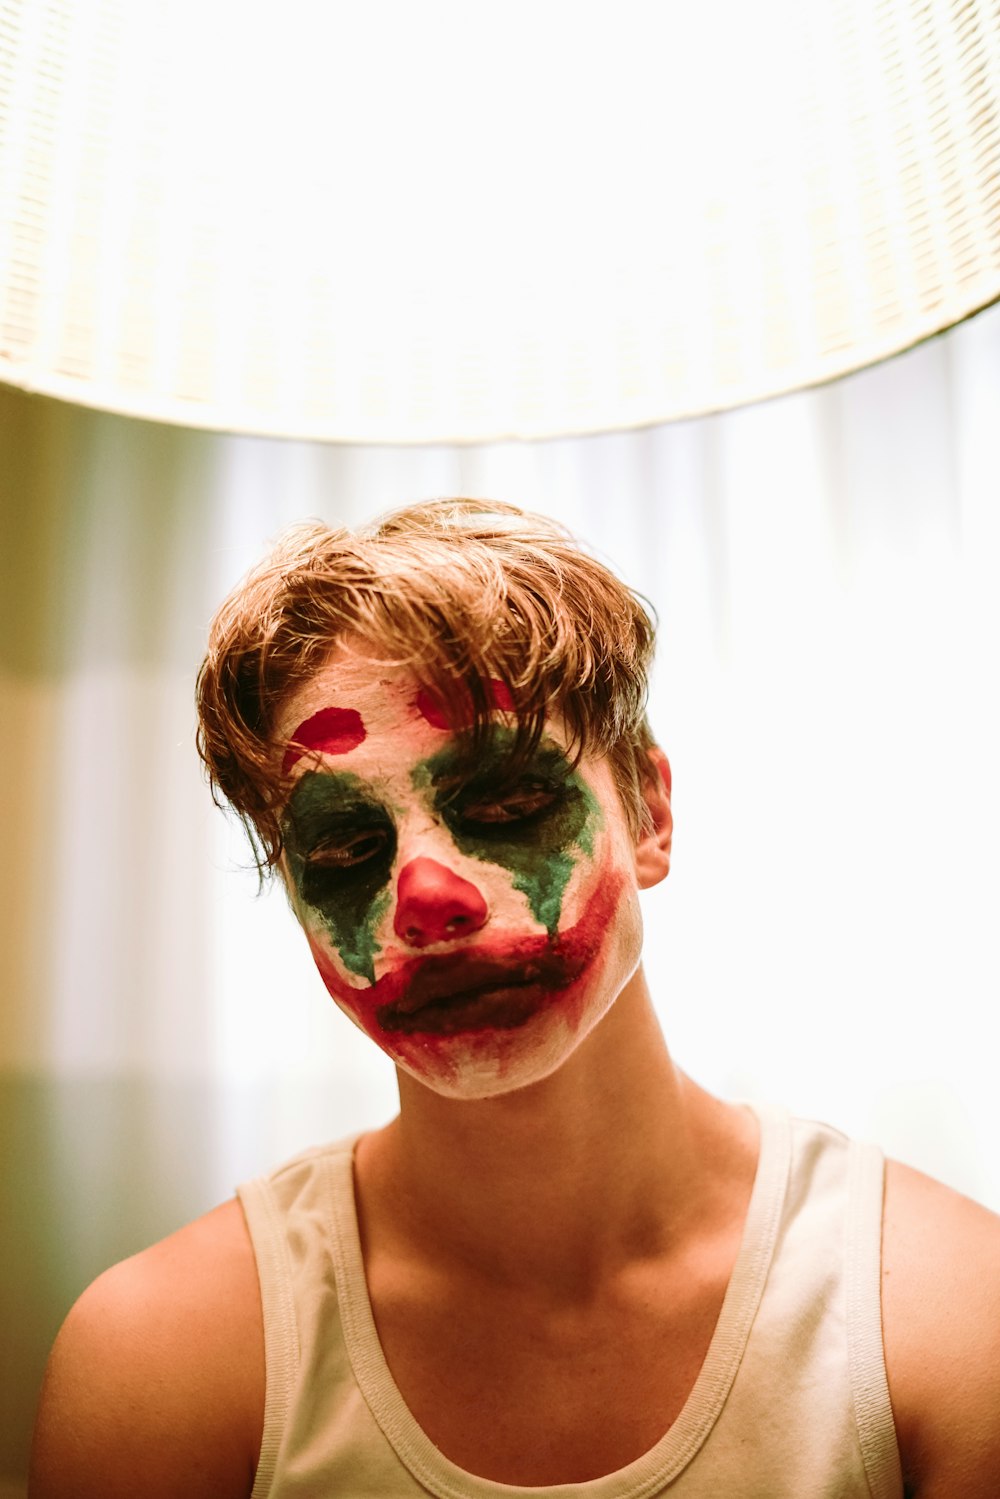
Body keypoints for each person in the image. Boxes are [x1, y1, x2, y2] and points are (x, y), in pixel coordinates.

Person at [29, 499, 1000, 1498]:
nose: (425, 897)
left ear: (649, 811)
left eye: (503, 804)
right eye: (345, 848)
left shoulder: (951, 1318)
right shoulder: (160, 1360)